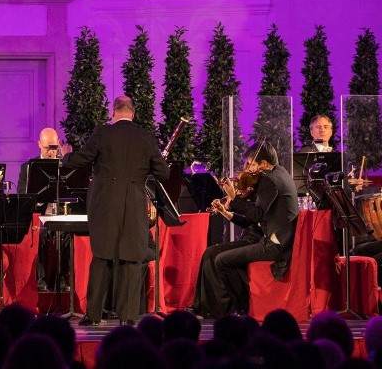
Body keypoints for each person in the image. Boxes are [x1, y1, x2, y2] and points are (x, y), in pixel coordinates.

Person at [63, 95, 171, 325]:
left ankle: (93, 315)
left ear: (113, 112)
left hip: (105, 206)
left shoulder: (103, 133)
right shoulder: (146, 137)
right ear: (132, 113)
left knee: (101, 257)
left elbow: (80, 160)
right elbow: (163, 174)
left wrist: (66, 155)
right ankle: (129, 317)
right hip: (133, 205)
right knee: (132, 260)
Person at [196, 144, 297, 317]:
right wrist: (229, 213)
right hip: (273, 239)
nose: (247, 169)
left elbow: (257, 215)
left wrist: (234, 198)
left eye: (250, 164)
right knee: (211, 254)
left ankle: (235, 308)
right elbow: (257, 218)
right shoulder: (279, 174)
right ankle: (207, 307)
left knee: (221, 260)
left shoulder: (270, 180)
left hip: (275, 244)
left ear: (263, 164)